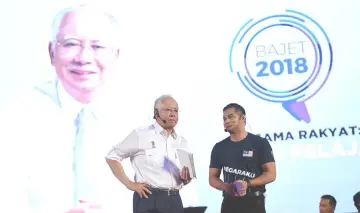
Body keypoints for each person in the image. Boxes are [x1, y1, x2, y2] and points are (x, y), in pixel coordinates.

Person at [1, 4, 122, 213]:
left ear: (115, 55)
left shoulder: (146, 121)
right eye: (71, 44)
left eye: (98, 47)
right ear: (52, 52)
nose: (84, 58)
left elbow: (181, 199)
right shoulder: (12, 120)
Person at [106, 94, 193, 213]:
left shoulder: (182, 142)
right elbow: (112, 157)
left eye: (176, 110)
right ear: (156, 113)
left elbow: (187, 178)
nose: (173, 114)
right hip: (149, 198)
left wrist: (186, 178)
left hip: (175, 200)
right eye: (168, 110)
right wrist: (129, 184)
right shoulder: (141, 134)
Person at [209, 103, 276, 213]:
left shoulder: (260, 143)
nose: (226, 121)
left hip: (254, 203)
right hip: (229, 204)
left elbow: (271, 174)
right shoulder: (219, 147)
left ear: (243, 118)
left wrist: (247, 183)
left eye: (231, 117)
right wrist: (226, 187)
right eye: (224, 118)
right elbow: (212, 178)